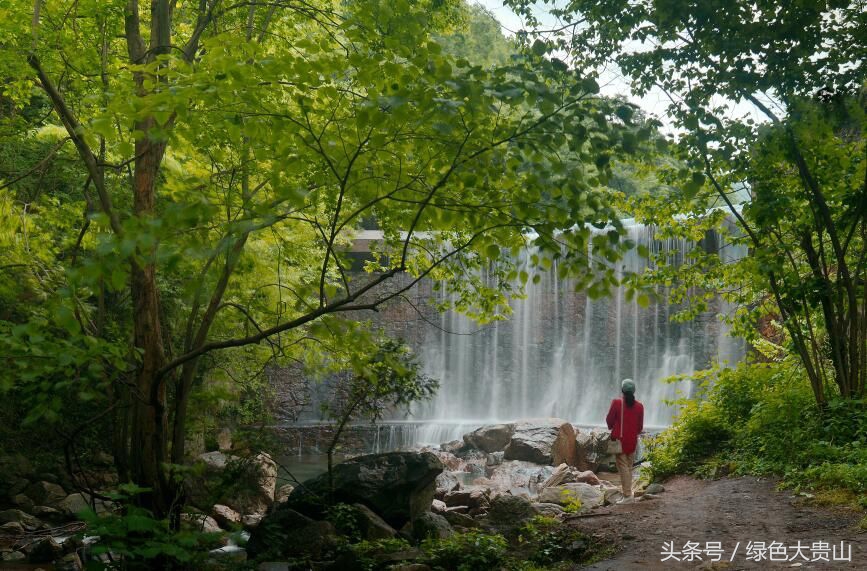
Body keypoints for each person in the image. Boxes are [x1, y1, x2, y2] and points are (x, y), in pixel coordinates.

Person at [606, 378, 644, 503]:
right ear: (634, 391)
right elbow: (640, 427)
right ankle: (629, 493)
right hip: (632, 440)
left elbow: (609, 420)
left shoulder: (617, 403)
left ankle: (627, 496)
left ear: (622, 390)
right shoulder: (639, 406)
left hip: (620, 440)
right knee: (628, 467)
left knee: (623, 468)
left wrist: (613, 427)